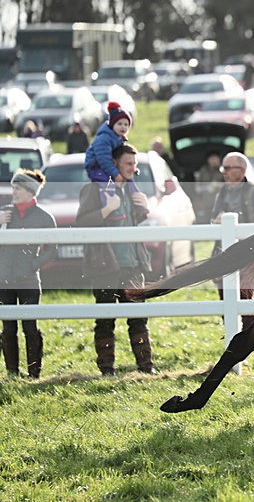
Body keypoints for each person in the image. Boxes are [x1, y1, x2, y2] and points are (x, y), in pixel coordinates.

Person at [76, 144, 155, 376]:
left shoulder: (132, 190)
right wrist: (106, 209)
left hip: (132, 265)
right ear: (115, 164)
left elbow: (131, 225)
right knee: (105, 319)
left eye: (135, 164)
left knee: (138, 318)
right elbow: (82, 222)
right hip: (105, 267)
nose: (134, 168)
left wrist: (143, 209)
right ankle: (107, 370)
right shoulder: (94, 189)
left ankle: (145, 367)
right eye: (129, 164)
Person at [0, 169, 56, 378]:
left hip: (29, 280)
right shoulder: (4, 212)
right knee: (8, 328)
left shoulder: (44, 217)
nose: (13, 191)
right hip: (3, 280)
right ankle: (12, 373)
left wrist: (33, 264)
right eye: (13, 187)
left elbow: (52, 249)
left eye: (18, 188)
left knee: (30, 327)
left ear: (30, 191)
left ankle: (34, 373)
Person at [209, 152, 254, 329]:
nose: (224, 172)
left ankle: (247, 337)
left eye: (228, 168)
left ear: (242, 170)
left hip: (248, 253)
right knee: (224, 300)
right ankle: (231, 334)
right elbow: (212, 219)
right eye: (223, 168)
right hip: (223, 252)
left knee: (245, 299)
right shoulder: (222, 192)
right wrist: (216, 221)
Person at [84, 102, 147, 215]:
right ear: (112, 125)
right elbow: (104, 160)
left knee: (130, 180)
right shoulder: (104, 138)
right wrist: (115, 173)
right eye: (120, 124)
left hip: (108, 165)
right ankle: (111, 209)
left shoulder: (119, 138)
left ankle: (138, 204)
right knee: (106, 184)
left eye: (126, 124)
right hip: (96, 166)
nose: (123, 127)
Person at [194, 151, 225, 224]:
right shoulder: (203, 171)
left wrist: (218, 185)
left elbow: (229, 185)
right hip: (206, 202)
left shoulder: (223, 171)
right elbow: (197, 187)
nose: (214, 161)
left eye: (216, 158)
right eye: (212, 158)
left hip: (220, 203)